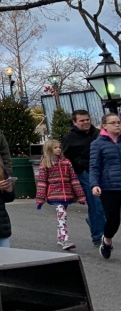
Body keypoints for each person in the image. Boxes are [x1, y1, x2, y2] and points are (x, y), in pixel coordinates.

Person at [62, 109, 105, 246]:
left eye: (87, 119)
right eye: (82, 120)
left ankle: (93, 221)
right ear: (74, 122)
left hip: (102, 172)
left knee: (107, 205)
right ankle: (98, 236)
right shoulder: (69, 139)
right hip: (84, 173)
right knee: (96, 203)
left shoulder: (99, 134)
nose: (86, 122)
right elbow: (64, 158)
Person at [36, 139, 86, 251]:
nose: (58, 149)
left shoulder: (66, 162)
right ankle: (65, 239)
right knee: (62, 215)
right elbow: (42, 182)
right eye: (55, 148)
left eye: (59, 147)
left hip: (66, 195)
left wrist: (80, 196)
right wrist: (40, 199)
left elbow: (74, 180)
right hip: (54, 195)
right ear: (49, 150)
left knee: (61, 216)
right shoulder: (45, 164)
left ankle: (60, 236)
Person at [90, 113, 121, 259]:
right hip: (109, 187)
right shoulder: (97, 144)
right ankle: (107, 241)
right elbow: (94, 166)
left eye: (119, 122)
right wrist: (94, 184)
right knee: (113, 220)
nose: (117, 125)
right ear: (104, 126)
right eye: (113, 123)